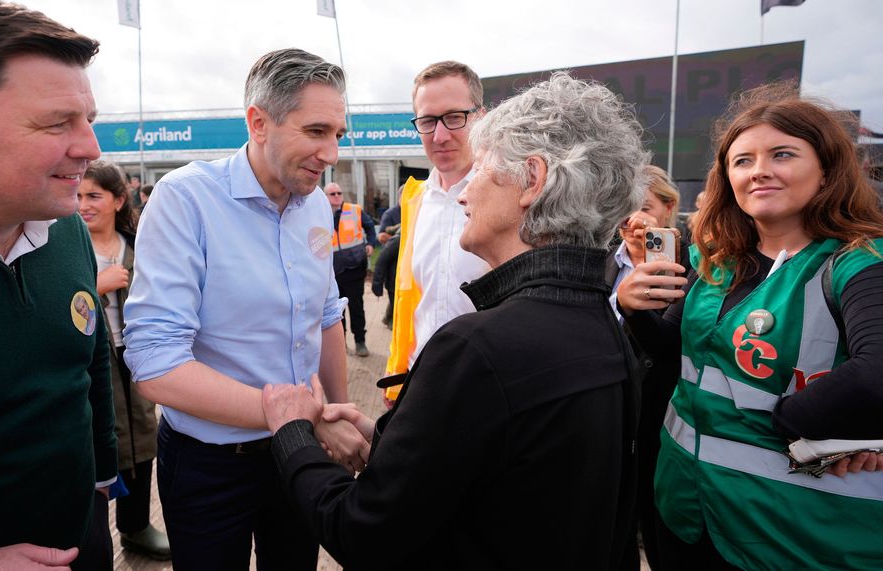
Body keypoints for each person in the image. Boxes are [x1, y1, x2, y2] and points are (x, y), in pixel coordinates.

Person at [262, 71, 647, 571]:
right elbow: (509, 468)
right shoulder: (609, 331)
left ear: (532, 180)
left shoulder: (477, 347)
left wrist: (292, 434)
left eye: (483, 170)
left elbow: (362, 530)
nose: (465, 194)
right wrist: (395, 442)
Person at [616, 84, 883, 570]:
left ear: (826, 170)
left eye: (782, 154)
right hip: (687, 506)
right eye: (743, 161)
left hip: (793, 532)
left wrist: (802, 425)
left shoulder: (858, 262)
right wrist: (634, 310)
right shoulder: (714, 259)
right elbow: (677, 352)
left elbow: (876, 374)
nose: (759, 170)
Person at [122, 48, 368, 570]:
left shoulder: (314, 207)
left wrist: (336, 418)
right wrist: (305, 418)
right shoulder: (186, 200)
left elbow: (326, 317)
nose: (332, 154)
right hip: (211, 466)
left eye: (338, 135)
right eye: (316, 131)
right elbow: (156, 365)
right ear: (259, 122)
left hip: (300, 455)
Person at [0, 1, 117, 569]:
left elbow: (89, 364)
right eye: (58, 123)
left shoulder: (66, 231)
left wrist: (103, 484)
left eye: (88, 120)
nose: (91, 148)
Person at [79, 160, 171, 561]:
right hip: (90, 362)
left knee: (141, 431)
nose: (84, 204)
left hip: (134, 357)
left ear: (119, 200)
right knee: (102, 438)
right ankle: (92, 534)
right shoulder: (68, 249)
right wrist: (96, 288)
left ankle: (135, 526)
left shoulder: (138, 246)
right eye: (79, 196)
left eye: (94, 196)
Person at [384, 61, 491, 403]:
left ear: (481, 117)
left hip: (488, 390)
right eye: (428, 121)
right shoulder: (415, 199)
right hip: (420, 385)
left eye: (454, 117)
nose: (440, 135)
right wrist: (395, 373)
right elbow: (411, 300)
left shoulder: (512, 196)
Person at [604, 164, 685, 571]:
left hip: (659, 416)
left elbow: (669, 345)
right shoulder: (600, 262)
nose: (632, 216)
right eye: (625, 205)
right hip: (609, 413)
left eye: (644, 206)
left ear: (668, 209)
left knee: (658, 525)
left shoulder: (692, 263)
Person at [326, 181, 377, 357]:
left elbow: (370, 227)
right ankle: (341, 345)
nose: (337, 196)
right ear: (326, 197)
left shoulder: (354, 210)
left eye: (339, 193)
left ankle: (360, 342)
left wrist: (371, 244)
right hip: (332, 272)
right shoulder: (319, 213)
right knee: (335, 312)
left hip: (354, 268)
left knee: (356, 306)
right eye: (332, 194)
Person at [371, 233, 399, 329]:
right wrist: (377, 285)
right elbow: (381, 261)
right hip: (394, 284)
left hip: (405, 283)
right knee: (396, 305)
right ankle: (391, 321)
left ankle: (389, 319)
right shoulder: (398, 240)